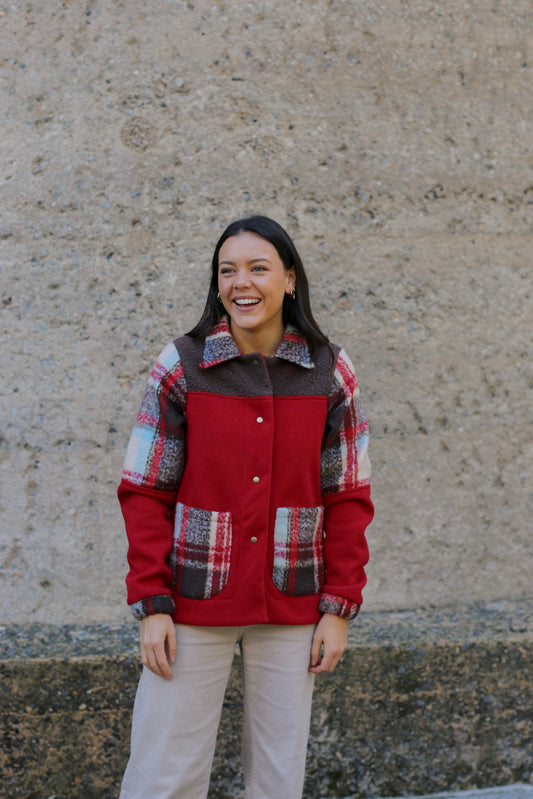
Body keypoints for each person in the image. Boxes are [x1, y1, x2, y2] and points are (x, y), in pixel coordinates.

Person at [117, 215, 374, 799]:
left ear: (289, 279)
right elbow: (145, 489)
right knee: (165, 773)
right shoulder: (180, 365)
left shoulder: (330, 371)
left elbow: (349, 496)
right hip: (192, 597)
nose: (241, 282)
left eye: (258, 267)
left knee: (278, 778)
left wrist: (339, 607)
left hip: (293, 597)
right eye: (227, 270)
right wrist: (152, 602)